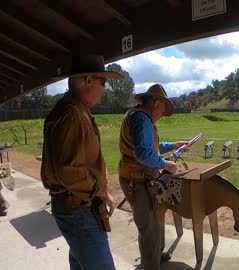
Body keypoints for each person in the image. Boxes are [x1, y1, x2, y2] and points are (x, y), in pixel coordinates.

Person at [41, 55, 123, 270]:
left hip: (78, 207)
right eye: (103, 82)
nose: (105, 88)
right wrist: (100, 191)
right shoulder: (73, 114)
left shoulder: (76, 110)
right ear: (89, 81)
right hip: (78, 210)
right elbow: (68, 171)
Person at [118, 83, 187, 270]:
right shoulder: (142, 119)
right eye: (163, 111)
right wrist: (166, 165)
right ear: (156, 102)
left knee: (154, 224)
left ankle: (155, 256)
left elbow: (152, 146)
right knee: (148, 229)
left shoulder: (141, 117)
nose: (161, 116)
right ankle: (151, 266)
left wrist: (174, 145)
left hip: (142, 180)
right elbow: (142, 153)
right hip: (138, 181)